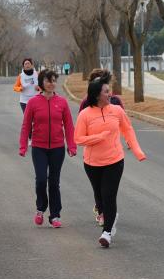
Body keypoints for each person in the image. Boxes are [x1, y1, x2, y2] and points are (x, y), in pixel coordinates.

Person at [75, 79, 146, 248]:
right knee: (99, 197)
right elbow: (78, 139)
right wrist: (98, 138)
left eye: (109, 91)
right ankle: (106, 215)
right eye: (106, 91)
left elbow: (127, 130)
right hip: (92, 163)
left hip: (114, 160)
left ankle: (106, 233)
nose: (110, 94)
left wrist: (137, 151)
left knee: (109, 195)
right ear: (97, 94)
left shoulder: (117, 110)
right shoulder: (85, 114)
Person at [19, 69, 77, 228]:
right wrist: (23, 145)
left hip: (58, 148)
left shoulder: (62, 102)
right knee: (41, 180)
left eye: (53, 80)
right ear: (41, 83)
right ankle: (40, 208)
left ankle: (55, 215)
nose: (52, 83)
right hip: (39, 147)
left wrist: (71, 145)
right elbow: (25, 126)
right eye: (48, 80)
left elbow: (69, 126)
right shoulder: (33, 102)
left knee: (54, 182)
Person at [78, 68, 124, 227]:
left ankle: (108, 220)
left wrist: (129, 142)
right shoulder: (86, 104)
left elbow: (123, 123)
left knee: (108, 192)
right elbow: (81, 129)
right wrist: (96, 137)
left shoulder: (116, 101)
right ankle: (101, 209)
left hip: (112, 154)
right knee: (98, 191)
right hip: (92, 157)